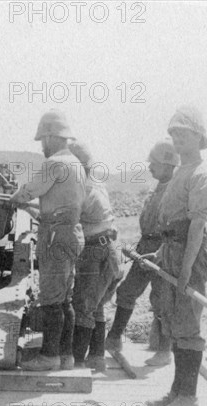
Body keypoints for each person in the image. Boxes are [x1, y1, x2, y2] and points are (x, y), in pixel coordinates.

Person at [142, 105, 207, 406]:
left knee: (187, 324)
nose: (177, 139)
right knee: (173, 323)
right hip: (173, 249)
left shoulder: (200, 174)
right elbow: (171, 221)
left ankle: (189, 398)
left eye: (183, 134)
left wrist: (185, 268)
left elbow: (196, 225)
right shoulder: (180, 173)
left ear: (199, 138)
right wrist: (161, 254)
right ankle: (176, 393)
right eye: (173, 134)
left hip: (191, 251)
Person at [10, 110, 86, 371]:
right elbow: (53, 202)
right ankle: (66, 356)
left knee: (51, 299)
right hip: (69, 232)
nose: (42, 145)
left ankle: (49, 357)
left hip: (54, 236)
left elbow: (29, 191)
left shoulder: (54, 163)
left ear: (52, 137)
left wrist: (15, 198)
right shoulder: (76, 164)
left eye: (43, 139)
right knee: (65, 298)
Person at [106, 140, 179, 367]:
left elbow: (176, 228)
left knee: (161, 300)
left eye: (154, 164)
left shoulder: (176, 190)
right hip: (145, 247)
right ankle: (114, 339)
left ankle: (164, 351)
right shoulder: (158, 187)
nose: (149, 167)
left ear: (168, 165)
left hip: (162, 250)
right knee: (127, 292)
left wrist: (160, 252)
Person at [70, 141, 122, 372]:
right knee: (97, 305)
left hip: (95, 251)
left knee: (83, 306)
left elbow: (62, 216)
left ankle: (78, 361)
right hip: (109, 249)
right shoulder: (96, 183)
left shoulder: (82, 188)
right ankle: (97, 357)